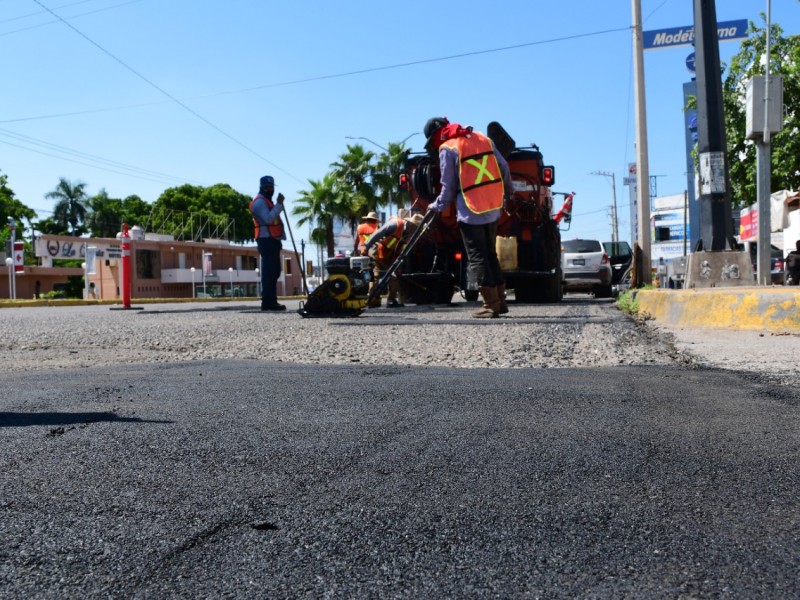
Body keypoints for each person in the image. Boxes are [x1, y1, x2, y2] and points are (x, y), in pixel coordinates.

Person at [422, 117, 513, 318]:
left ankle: (490, 305)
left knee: (477, 257)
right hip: (493, 207)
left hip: (471, 211)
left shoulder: (448, 148)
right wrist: (508, 192)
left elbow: (448, 188)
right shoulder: (482, 138)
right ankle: (501, 302)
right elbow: (504, 167)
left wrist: (435, 206)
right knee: (490, 254)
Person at [364, 211, 423, 308]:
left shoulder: (410, 234)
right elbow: (378, 234)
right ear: (410, 224)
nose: (415, 230)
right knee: (376, 275)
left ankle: (391, 299)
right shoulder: (395, 224)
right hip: (379, 252)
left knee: (396, 275)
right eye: (415, 227)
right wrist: (366, 247)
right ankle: (370, 299)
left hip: (392, 256)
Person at [250, 175, 287, 311]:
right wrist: (279, 205)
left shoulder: (266, 201)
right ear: (261, 187)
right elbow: (268, 219)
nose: (270, 189)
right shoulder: (259, 202)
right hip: (266, 240)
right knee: (269, 272)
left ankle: (272, 300)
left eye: (271, 187)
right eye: (267, 187)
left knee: (275, 271)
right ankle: (267, 302)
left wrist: (277, 205)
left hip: (273, 240)